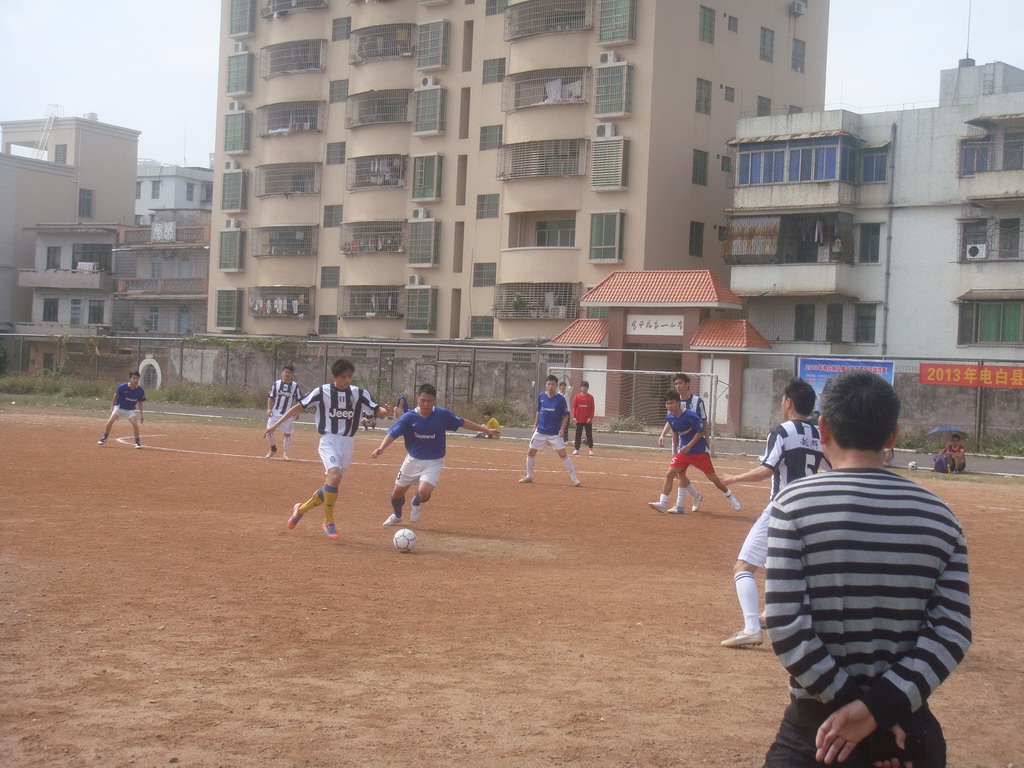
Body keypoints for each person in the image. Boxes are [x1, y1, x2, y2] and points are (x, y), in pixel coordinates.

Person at [762, 370, 971, 767]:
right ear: (892, 435)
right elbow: (952, 631)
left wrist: (854, 711)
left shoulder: (793, 506)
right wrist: (879, 710)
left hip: (819, 733)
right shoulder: (940, 517)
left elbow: (787, 625)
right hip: (907, 730)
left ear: (823, 428)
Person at [719, 378, 828, 649]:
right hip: (810, 510)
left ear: (788, 402)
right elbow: (833, 467)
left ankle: (751, 628)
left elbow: (767, 469)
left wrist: (734, 478)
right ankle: (773, 614)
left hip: (783, 507)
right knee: (782, 564)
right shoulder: (819, 434)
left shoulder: (782, 431)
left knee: (743, 567)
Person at [265, 358, 391, 540]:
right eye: (343, 377)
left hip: (348, 442)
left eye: (349, 376)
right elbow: (297, 407)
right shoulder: (321, 391)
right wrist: (275, 425)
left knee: (332, 484)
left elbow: (376, 408)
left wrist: (386, 411)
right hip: (329, 440)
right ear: (334, 376)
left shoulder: (358, 393)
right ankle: (328, 521)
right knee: (334, 475)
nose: (346, 380)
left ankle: (300, 509)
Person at [374, 384, 499, 526]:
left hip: (433, 462)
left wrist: (486, 430)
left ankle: (416, 501)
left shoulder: (442, 415)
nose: (426, 404)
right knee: (396, 494)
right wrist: (381, 447)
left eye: (429, 401)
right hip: (412, 460)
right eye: (423, 400)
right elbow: (392, 433)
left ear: (434, 400)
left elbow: (462, 422)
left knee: (424, 493)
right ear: (417, 399)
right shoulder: (409, 417)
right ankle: (397, 516)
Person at [648, 390, 740, 513]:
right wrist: (675, 453)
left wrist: (690, 445)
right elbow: (675, 433)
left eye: (671, 403)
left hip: (698, 451)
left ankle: (731, 497)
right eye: (667, 404)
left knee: (713, 478)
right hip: (683, 452)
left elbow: (700, 432)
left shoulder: (690, 415)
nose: (669, 406)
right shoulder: (670, 417)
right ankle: (662, 503)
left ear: (678, 403)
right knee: (670, 474)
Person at [519, 375, 581, 486]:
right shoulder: (541, 396)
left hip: (554, 433)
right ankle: (529, 476)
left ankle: (574, 479)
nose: (550, 386)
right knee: (530, 452)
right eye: (548, 384)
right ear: (546, 385)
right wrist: (535, 425)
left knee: (563, 454)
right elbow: (538, 411)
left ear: (556, 386)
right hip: (540, 431)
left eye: (553, 384)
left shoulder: (560, 399)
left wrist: (562, 429)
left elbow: (566, 416)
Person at [658, 373, 709, 452]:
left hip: (695, 443)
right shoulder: (673, 402)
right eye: (676, 384)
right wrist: (663, 435)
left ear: (687, 384)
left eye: (680, 383)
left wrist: (708, 441)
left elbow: (704, 421)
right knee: (676, 459)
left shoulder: (698, 401)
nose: (677, 386)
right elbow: (671, 421)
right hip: (679, 442)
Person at [98, 370, 146, 449]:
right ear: (130, 379)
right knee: (110, 421)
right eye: (134, 378)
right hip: (119, 407)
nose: (135, 380)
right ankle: (104, 438)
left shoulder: (140, 390)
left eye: (137, 379)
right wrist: (112, 408)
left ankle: (137, 442)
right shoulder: (122, 387)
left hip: (130, 410)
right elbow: (115, 396)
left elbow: (140, 403)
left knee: (135, 424)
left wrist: (142, 415)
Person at [264, 364, 303, 460]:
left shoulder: (295, 386)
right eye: (285, 372)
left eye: (289, 372)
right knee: (269, 431)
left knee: (287, 434)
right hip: (275, 412)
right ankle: (273, 449)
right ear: (282, 373)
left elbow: (299, 400)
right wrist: (269, 409)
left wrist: (297, 412)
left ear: (292, 374)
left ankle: (285, 454)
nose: (287, 374)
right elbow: (271, 397)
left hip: (288, 414)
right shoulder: (276, 384)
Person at [571, 381, 596, 456]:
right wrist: (573, 416)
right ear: (580, 388)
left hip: (587, 420)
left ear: (587, 388)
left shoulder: (590, 397)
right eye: (583, 387)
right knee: (578, 435)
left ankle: (590, 449)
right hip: (579, 419)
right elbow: (574, 407)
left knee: (589, 435)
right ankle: (576, 449)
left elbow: (592, 409)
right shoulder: (577, 397)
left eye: (585, 387)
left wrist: (590, 418)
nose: (584, 388)